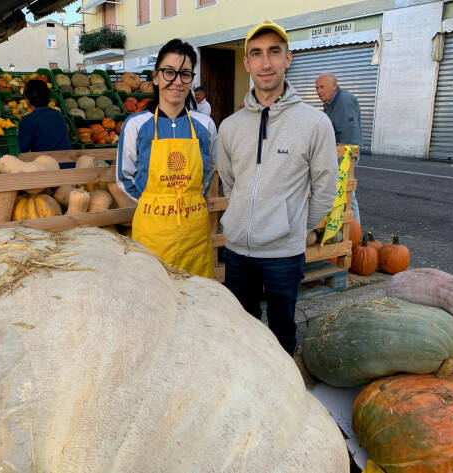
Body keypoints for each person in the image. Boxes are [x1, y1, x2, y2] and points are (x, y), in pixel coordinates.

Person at [217, 20, 338, 356]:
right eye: (256, 54)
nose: (265, 62)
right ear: (247, 64)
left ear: (288, 58)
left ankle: (283, 391)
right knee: (242, 326)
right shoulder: (230, 127)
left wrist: (295, 227)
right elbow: (230, 184)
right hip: (238, 251)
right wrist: (240, 218)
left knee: (282, 328)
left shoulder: (314, 124)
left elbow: (326, 188)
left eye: (274, 52)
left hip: (284, 255)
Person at [116, 39, 218, 278]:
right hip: (153, 233)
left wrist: (190, 197)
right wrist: (155, 201)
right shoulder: (136, 125)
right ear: (156, 76)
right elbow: (124, 177)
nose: (176, 82)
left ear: (191, 79)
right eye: (169, 72)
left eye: (184, 74)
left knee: (196, 298)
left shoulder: (205, 125)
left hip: (194, 233)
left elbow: (209, 170)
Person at [315, 72, 362, 223]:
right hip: (337, 153)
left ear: (334, 86)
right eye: (316, 88)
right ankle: (343, 227)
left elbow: (349, 137)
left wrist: (344, 160)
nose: (319, 91)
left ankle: (354, 232)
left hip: (346, 155)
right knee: (340, 193)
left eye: (322, 87)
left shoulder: (344, 102)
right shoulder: (331, 103)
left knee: (347, 193)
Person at [18, 79, 72, 153]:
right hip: (69, 161)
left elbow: (22, 149)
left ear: (27, 100)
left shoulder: (28, 120)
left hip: (48, 162)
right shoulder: (57, 114)